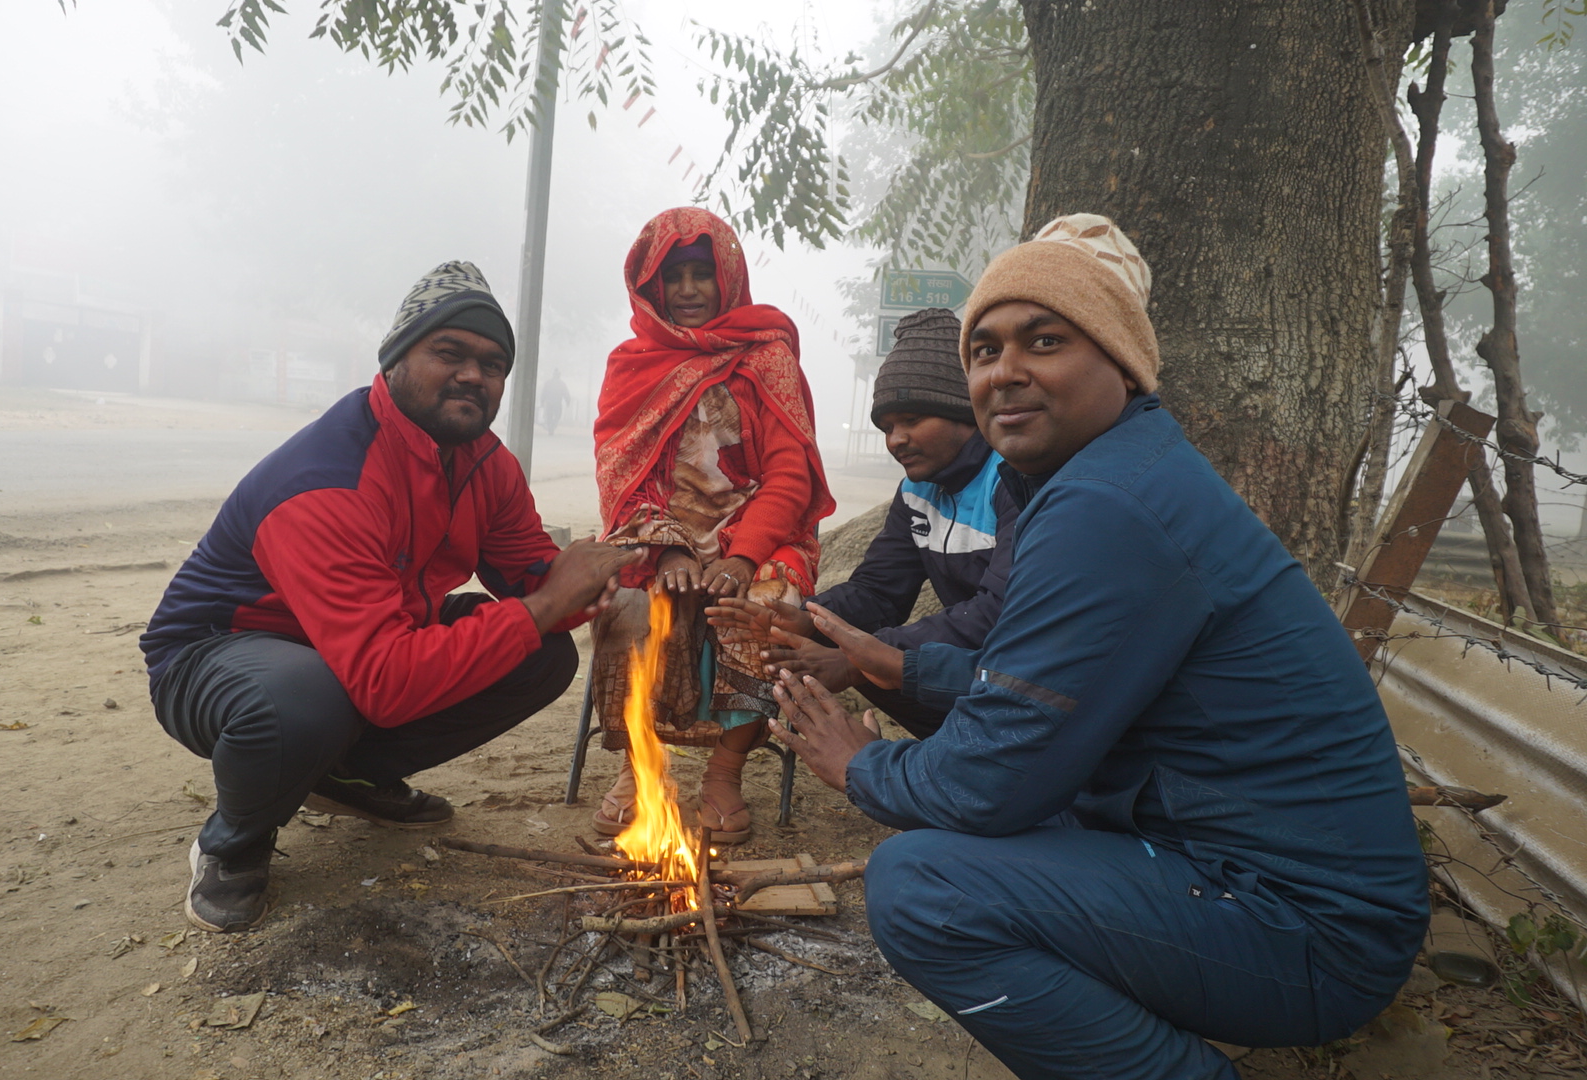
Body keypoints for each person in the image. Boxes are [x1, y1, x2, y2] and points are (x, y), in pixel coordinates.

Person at [764, 216, 1429, 1079]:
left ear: (1121, 360)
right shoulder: (1108, 476)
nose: (1005, 372)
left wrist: (860, 766)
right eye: (985, 351)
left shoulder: (1108, 505)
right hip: (1250, 872)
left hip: (1305, 928)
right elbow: (1040, 679)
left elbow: (986, 778)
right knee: (1009, 827)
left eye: (1044, 341)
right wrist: (891, 660)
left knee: (922, 887)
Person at [141, 261, 639, 934]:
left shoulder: (485, 463)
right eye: (450, 352)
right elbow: (384, 682)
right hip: (219, 658)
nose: (474, 375)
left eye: (493, 364)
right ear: (397, 358)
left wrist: (624, 578)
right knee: (305, 698)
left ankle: (351, 776)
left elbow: (534, 582)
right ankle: (233, 842)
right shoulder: (328, 478)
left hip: (365, 645)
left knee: (542, 655)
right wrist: (549, 604)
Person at [589, 207, 834, 844]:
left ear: (728, 277)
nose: (691, 288)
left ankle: (725, 773)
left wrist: (744, 556)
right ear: (651, 285)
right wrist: (669, 554)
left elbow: (790, 477)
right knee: (625, 606)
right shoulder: (631, 363)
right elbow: (622, 478)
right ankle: (638, 765)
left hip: (759, 534)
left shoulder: (769, 357)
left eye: (704, 273)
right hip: (658, 534)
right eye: (676, 276)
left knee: (764, 608)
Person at [709, 307, 1016, 739]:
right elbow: (878, 592)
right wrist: (809, 619)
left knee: (867, 664)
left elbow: (995, 614)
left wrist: (860, 661)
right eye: (887, 427)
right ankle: (960, 752)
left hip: (1022, 671)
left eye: (912, 420)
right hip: (967, 666)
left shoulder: (1013, 482)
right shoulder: (917, 490)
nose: (896, 441)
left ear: (965, 414)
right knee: (848, 653)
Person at [539, 370, 571, 435]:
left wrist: (542, 401)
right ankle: (552, 426)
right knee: (557, 416)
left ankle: (550, 427)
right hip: (557, 403)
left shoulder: (548, 383)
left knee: (549, 416)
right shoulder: (561, 384)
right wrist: (568, 401)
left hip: (549, 403)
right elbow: (566, 393)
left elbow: (544, 393)